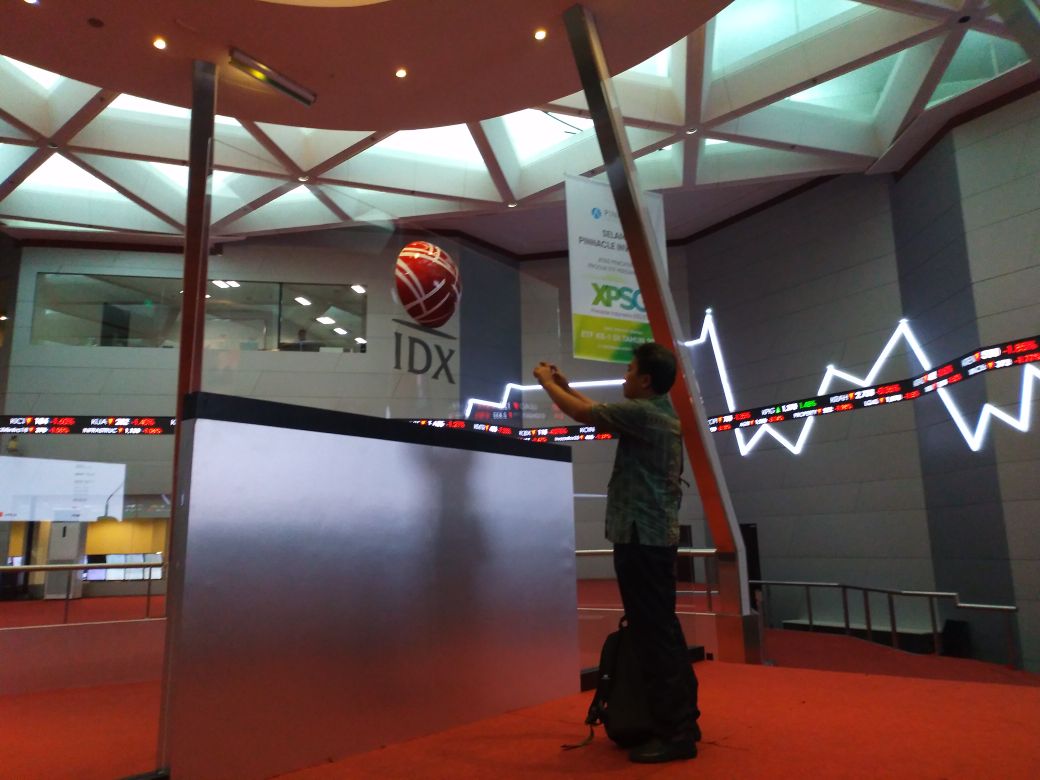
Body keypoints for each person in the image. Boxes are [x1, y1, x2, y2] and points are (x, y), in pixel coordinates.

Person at [533, 342, 700, 764]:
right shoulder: (656, 413)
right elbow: (599, 411)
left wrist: (548, 383)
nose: (624, 377)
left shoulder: (644, 415)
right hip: (652, 540)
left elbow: (584, 414)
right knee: (663, 631)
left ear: (645, 380)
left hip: (641, 540)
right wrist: (566, 386)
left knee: (653, 635)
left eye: (629, 371)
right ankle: (684, 721)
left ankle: (675, 734)